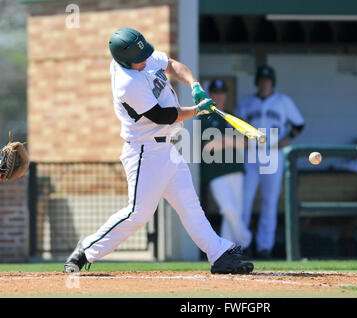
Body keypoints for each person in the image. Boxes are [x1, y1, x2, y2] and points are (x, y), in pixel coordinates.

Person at [64, 28, 253, 275]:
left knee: (190, 206)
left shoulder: (141, 56)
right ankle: (85, 251)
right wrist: (198, 110)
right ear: (124, 60)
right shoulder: (127, 83)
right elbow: (163, 116)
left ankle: (219, 255)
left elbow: (173, 65)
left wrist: (195, 85)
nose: (145, 61)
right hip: (146, 153)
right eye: (138, 60)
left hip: (169, 149)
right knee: (138, 214)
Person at [236, 65, 305, 259]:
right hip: (251, 154)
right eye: (262, 80)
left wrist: (288, 138)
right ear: (257, 82)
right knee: (245, 201)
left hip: (273, 154)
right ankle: (241, 244)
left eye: (268, 80)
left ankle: (265, 246)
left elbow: (299, 124)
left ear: (272, 82)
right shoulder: (247, 103)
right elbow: (235, 125)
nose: (265, 83)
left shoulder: (283, 101)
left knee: (270, 202)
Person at [200, 79, 252, 249]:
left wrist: (222, 140)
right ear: (210, 95)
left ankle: (228, 249)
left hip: (235, 169)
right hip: (215, 172)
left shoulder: (233, 116)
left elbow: (245, 143)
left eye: (222, 93)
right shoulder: (204, 117)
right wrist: (229, 140)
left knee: (235, 211)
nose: (219, 96)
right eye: (215, 93)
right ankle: (246, 240)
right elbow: (207, 147)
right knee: (228, 209)